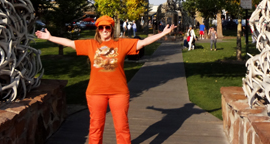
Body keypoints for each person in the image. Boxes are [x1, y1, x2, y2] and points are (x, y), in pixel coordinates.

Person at [35, 15, 176, 144]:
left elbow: (143, 42)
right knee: (96, 127)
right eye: (101, 27)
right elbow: (70, 43)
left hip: (119, 93)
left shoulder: (122, 43)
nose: (104, 30)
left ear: (111, 29)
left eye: (107, 27)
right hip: (95, 93)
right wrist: (49, 37)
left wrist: (163, 33)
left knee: (122, 127)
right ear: (97, 30)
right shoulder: (90, 44)